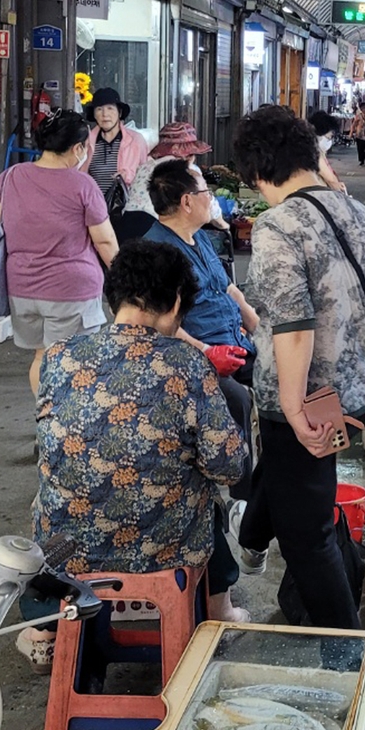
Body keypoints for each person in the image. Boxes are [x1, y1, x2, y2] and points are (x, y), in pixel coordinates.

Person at [16, 241, 249, 672]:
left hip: (66, 550)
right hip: (163, 547)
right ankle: (221, 611)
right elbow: (228, 464)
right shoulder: (187, 364)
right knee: (207, 498)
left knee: (54, 498)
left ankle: (45, 627)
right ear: (177, 301)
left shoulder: (59, 357)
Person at [231, 105, 365, 627]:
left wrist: (293, 407)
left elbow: (292, 324)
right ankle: (252, 535)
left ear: (260, 170)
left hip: (308, 399)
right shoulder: (359, 213)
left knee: (306, 534)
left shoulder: (277, 226)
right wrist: (363, 344)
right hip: (361, 392)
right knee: (298, 476)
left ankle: (348, 644)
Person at [143, 159, 259, 495]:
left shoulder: (200, 238)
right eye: (206, 192)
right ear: (187, 202)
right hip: (192, 353)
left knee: (282, 376)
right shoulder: (158, 250)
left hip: (235, 342)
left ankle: (271, 480)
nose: (212, 199)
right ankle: (241, 496)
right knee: (236, 400)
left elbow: (228, 288)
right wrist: (207, 352)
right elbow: (161, 321)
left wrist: (257, 326)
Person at [0, 109, 119, 395]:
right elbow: (105, 241)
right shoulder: (82, 184)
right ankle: (67, 431)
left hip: (22, 289)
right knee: (75, 362)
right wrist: (124, 280)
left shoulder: (10, 177)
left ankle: (45, 425)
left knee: (42, 357)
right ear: (77, 148)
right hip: (70, 291)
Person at [124, 121, 226, 241]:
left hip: (127, 226)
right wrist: (224, 226)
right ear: (188, 154)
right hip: (158, 232)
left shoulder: (144, 167)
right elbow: (210, 206)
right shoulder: (188, 170)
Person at [80, 86, 149, 196]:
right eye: (99, 109)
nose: (105, 114)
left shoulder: (136, 140)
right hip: (94, 208)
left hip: (127, 208)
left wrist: (127, 177)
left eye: (110, 108)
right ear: (94, 115)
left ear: (119, 113)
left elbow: (146, 177)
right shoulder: (86, 142)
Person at [307, 110, 347, 193]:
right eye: (330, 137)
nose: (330, 141)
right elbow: (331, 179)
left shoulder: (317, 152)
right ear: (319, 134)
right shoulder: (314, 154)